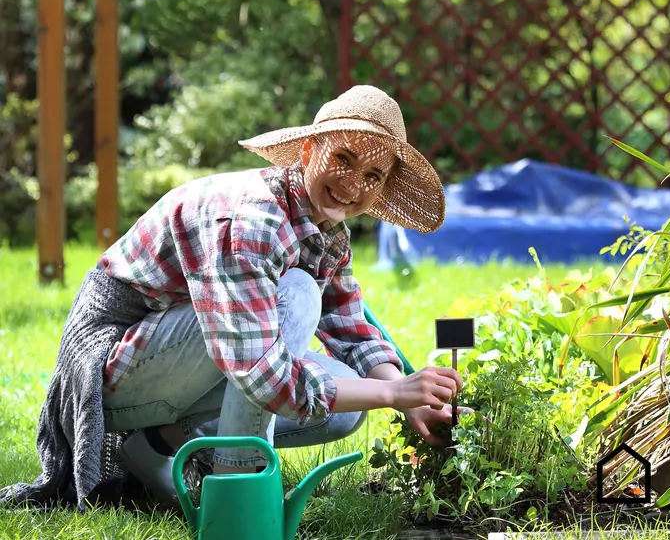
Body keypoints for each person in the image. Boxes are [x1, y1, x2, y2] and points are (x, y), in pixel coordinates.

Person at [1, 85, 466, 510]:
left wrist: (402, 395)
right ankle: (236, 486)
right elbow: (265, 377)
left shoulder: (328, 232)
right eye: (343, 158)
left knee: (348, 406)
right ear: (308, 150)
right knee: (300, 294)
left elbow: (348, 323)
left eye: (372, 175)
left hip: (178, 360)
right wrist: (392, 390)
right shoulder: (253, 219)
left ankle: (157, 446)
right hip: (108, 366)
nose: (352, 183)